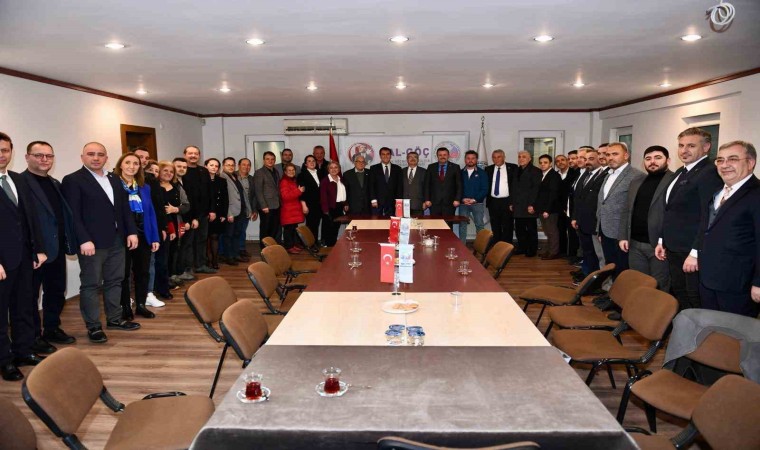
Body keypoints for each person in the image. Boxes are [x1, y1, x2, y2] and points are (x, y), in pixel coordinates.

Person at [62, 142, 140, 344]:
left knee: (115, 281)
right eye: (91, 154)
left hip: (117, 240)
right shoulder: (73, 180)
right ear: (82, 157)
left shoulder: (114, 178)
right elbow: (73, 214)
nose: (96, 158)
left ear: (107, 158)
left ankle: (114, 319)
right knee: (91, 284)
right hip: (92, 243)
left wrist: (132, 232)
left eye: (100, 154)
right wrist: (83, 239)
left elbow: (124, 209)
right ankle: (94, 326)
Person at [655, 127, 722, 310]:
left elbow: (708, 216)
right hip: (674, 247)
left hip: (691, 250)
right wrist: (661, 239)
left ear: (706, 147)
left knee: (694, 297)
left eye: (691, 146)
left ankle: (696, 328)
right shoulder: (681, 171)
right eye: (681, 145)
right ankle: (684, 325)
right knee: (680, 292)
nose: (684, 150)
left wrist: (695, 252)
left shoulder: (710, 173)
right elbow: (670, 210)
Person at [22, 141, 77, 354]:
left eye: (49, 156)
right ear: (27, 157)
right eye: (39, 155)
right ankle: (34, 337)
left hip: (57, 248)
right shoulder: (21, 183)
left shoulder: (55, 183)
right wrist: (34, 249)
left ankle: (52, 329)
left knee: (56, 291)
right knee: (30, 296)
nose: (45, 159)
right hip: (34, 252)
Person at [0, 132, 47, 381]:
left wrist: (38, 248)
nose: (1, 155)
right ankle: (4, 361)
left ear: (12, 152)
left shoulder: (18, 179)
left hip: (24, 257)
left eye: (5, 150)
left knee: (24, 307)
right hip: (1, 261)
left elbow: (30, 218)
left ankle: (24, 351)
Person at [698, 141, 760, 317]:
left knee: (735, 331)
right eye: (720, 160)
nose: (724, 165)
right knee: (711, 326)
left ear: (750, 162)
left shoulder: (757, 193)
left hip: (738, 284)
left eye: (732, 159)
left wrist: (759, 282)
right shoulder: (718, 192)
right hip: (708, 279)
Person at [619, 145, 673, 291]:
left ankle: (659, 308)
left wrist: (664, 241)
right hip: (634, 244)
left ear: (668, 160)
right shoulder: (637, 181)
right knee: (638, 283)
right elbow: (627, 210)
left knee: (659, 285)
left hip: (658, 246)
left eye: (658, 158)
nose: (652, 162)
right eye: (648, 158)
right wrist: (623, 236)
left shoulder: (674, 181)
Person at [114, 153, 161, 320]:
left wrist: (154, 237)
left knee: (143, 272)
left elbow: (151, 213)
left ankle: (141, 305)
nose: (131, 166)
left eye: (135, 163)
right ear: (120, 165)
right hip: (122, 235)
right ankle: (125, 306)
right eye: (127, 162)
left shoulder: (144, 187)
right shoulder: (114, 185)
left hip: (143, 233)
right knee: (124, 273)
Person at [596, 142, 645, 277]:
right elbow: (603, 203)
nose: (610, 157)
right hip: (605, 230)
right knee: (610, 266)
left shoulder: (636, 176)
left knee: (623, 269)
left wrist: (626, 235)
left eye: (615, 154)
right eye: (608, 155)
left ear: (626, 156)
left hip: (622, 233)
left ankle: (620, 290)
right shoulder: (608, 174)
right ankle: (613, 289)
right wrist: (599, 228)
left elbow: (636, 207)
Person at [134, 150, 167, 309]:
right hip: (129, 231)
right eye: (140, 157)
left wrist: (161, 228)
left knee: (149, 263)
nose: (144, 160)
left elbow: (156, 208)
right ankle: (128, 299)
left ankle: (148, 293)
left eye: (146, 158)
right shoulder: (120, 181)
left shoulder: (149, 182)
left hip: (148, 229)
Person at [571, 149, 607, 277]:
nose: (587, 162)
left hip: (593, 221)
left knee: (595, 253)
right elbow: (579, 199)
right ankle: (587, 274)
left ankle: (592, 277)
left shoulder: (604, 175)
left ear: (599, 159)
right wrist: (575, 217)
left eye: (591, 159)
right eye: (585, 159)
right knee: (587, 251)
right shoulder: (586, 174)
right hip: (583, 220)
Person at [181, 146, 216, 275]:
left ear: (199, 156)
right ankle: (188, 267)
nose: (193, 156)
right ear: (185, 154)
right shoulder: (182, 171)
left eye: (196, 153)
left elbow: (210, 192)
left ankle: (200, 265)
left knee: (202, 239)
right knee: (188, 242)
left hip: (203, 213)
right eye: (190, 153)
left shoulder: (203, 171)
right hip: (188, 213)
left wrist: (212, 210)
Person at [160, 161, 190, 290]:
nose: (169, 173)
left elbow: (187, 205)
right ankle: (162, 280)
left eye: (171, 172)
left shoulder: (177, 187)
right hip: (161, 224)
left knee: (174, 250)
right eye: (165, 170)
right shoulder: (153, 187)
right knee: (162, 253)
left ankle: (171, 276)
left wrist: (176, 209)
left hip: (176, 222)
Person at [423, 147, 462, 227]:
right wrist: (427, 199)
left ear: (448, 156)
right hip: (434, 203)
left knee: (448, 226)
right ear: (437, 156)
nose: (442, 157)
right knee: (435, 226)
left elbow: (459, 185)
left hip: (450, 203)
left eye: (444, 155)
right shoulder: (431, 167)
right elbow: (427, 185)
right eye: (440, 155)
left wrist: (457, 199)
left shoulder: (455, 167)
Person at [513, 151, 541, 257]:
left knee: (531, 229)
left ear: (530, 159)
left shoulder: (536, 171)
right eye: (519, 157)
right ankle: (522, 248)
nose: (521, 159)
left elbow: (536, 190)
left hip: (529, 205)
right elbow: (513, 188)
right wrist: (512, 202)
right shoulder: (517, 170)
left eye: (524, 157)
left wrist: (532, 205)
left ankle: (532, 250)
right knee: (519, 229)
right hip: (518, 205)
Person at [485, 149, 517, 245]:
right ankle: (497, 245)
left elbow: (516, 186)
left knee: (508, 225)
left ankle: (506, 246)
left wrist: (513, 202)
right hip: (493, 201)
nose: (496, 159)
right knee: (495, 225)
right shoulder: (488, 169)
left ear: (504, 157)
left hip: (507, 201)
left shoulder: (513, 168)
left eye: (499, 157)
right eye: (494, 157)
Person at [172, 157, 195, 281]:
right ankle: (176, 272)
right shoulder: (171, 183)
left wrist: (192, 219)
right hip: (178, 220)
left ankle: (182, 270)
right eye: (179, 166)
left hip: (187, 218)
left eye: (184, 167)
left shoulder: (187, 181)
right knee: (177, 247)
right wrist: (185, 221)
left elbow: (190, 202)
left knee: (186, 246)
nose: (182, 169)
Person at [536, 154, 562, 259]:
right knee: (547, 231)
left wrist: (547, 210)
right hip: (543, 209)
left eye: (545, 162)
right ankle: (549, 250)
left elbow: (553, 194)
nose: (542, 164)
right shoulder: (543, 174)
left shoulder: (554, 175)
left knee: (552, 231)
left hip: (550, 210)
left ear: (550, 163)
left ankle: (554, 252)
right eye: (541, 163)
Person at [254, 151, 281, 252]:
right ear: (263, 160)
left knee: (274, 229)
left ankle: (271, 248)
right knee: (265, 229)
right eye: (267, 159)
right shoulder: (259, 172)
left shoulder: (276, 171)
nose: (270, 161)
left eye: (272, 159)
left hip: (276, 205)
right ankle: (264, 249)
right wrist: (263, 205)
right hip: (266, 206)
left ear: (275, 160)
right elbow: (258, 190)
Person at [459, 150, 488, 243]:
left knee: (479, 225)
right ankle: (462, 246)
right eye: (468, 158)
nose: (470, 160)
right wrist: (462, 199)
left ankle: (480, 246)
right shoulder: (460, 173)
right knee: (462, 225)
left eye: (473, 158)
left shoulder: (482, 173)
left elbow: (485, 189)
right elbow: (457, 188)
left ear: (476, 160)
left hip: (477, 203)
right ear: (465, 159)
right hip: (463, 204)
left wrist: (475, 199)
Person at [205, 158, 228, 268]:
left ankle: (214, 260)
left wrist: (223, 214)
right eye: (211, 165)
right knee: (205, 238)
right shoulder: (201, 180)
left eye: (216, 166)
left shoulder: (221, 181)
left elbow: (225, 198)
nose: (214, 167)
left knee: (215, 236)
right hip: (204, 212)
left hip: (218, 212)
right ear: (206, 166)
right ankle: (207, 260)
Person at [555, 154, 579, 258]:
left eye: (562, 160)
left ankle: (573, 254)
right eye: (557, 161)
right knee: (560, 230)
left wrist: (568, 208)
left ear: (567, 161)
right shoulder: (555, 175)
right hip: (559, 208)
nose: (560, 162)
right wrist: (561, 208)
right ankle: (563, 251)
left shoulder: (575, 173)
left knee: (572, 232)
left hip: (571, 208)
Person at [320, 161, 348, 246]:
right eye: (331, 168)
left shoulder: (341, 179)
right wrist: (326, 211)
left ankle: (333, 245)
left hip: (339, 207)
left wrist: (345, 204)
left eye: (336, 167)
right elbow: (323, 197)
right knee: (329, 229)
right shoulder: (325, 181)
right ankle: (329, 247)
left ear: (339, 169)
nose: (333, 169)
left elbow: (344, 193)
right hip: (330, 208)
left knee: (336, 228)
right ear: (328, 170)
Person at [369, 147, 403, 216]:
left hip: (392, 202)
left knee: (391, 220)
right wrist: (373, 200)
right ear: (380, 156)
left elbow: (399, 187)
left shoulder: (397, 169)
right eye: (383, 154)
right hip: (378, 202)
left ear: (390, 156)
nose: (385, 156)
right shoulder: (373, 168)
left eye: (387, 154)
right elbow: (371, 185)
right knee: (376, 221)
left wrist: (398, 202)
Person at [280, 163, 306, 253]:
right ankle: (288, 247)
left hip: (293, 210)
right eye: (289, 170)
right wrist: (298, 191)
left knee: (293, 229)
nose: (291, 172)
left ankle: (293, 245)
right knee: (288, 230)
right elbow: (285, 196)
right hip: (288, 210)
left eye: (293, 170)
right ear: (285, 172)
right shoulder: (284, 181)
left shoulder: (293, 180)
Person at [235, 158, 258, 259]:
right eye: (244, 164)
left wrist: (254, 210)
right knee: (234, 232)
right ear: (239, 165)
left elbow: (253, 196)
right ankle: (233, 252)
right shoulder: (233, 176)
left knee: (242, 231)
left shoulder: (251, 179)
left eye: (248, 165)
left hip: (246, 210)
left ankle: (241, 249)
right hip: (234, 210)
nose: (246, 167)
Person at [298, 155, 322, 243]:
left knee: (316, 224)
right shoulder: (301, 175)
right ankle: (310, 244)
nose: (311, 162)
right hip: (309, 204)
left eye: (313, 161)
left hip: (319, 204)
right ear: (305, 164)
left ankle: (315, 243)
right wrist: (304, 205)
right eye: (309, 161)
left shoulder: (320, 173)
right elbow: (301, 192)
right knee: (311, 225)